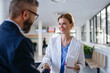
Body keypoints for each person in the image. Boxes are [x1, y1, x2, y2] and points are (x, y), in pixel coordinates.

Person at [0, 0, 50, 73]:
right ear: (25, 14)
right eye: (34, 16)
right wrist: (46, 70)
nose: (33, 20)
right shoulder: (21, 42)